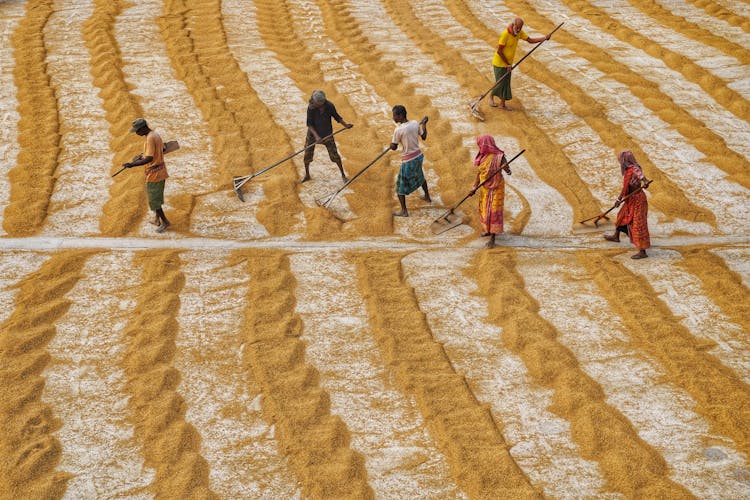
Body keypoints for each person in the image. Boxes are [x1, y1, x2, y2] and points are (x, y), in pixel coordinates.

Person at [122, 118, 171, 233]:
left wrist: (132, 164)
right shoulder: (155, 134)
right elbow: (162, 149)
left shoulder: (150, 138)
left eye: (137, 131)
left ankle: (165, 222)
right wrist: (142, 155)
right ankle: (157, 219)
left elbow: (150, 158)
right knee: (156, 198)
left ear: (143, 128)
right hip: (160, 172)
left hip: (155, 174)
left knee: (154, 201)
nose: (137, 133)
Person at [490, 17, 549, 110]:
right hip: (499, 62)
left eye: (520, 28)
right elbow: (499, 51)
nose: (518, 30)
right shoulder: (505, 34)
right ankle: (491, 97)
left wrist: (544, 38)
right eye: (517, 27)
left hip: (508, 63)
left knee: (506, 83)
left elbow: (530, 40)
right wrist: (507, 64)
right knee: (500, 83)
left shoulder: (519, 33)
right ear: (513, 25)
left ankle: (502, 105)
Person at [604, 150, 650, 259]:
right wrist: (618, 199)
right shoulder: (629, 170)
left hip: (638, 200)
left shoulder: (634, 169)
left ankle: (642, 251)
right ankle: (616, 236)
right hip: (630, 199)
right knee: (621, 216)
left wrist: (646, 182)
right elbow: (625, 188)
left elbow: (643, 178)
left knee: (638, 224)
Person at [469, 135, 510, 248]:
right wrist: (474, 187)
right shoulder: (482, 157)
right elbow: (479, 174)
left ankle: (493, 237)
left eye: (480, 144)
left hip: (496, 188)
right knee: (485, 209)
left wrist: (506, 168)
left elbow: (508, 171)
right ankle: (487, 230)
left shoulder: (500, 157)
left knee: (493, 211)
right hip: (484, 188)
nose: (479, 146)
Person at [303, 90, 353, 183]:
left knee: (335, 156)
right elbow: (309, 124)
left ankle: (343, 175)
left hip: (327, 134)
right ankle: (307, 175)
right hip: (313, 134)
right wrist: (317, 137)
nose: (313, 103)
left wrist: (345, 125)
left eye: (316, 103)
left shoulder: (329, 106)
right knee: (307, 154)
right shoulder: (311, 107)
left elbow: (337, 117)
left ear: (321, 103)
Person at [389, 105, 430, 217]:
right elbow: (424, 136)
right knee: (420, 176)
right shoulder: (415, 123)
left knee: (400, 187)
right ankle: (427, 197)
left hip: (409, 159)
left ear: (400, 116)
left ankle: (404, 211)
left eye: (394, 116)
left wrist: (391, 145)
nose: (393, 118)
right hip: (418, 156)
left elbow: (394, 146)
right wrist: (424, 124)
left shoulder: (398, 130)